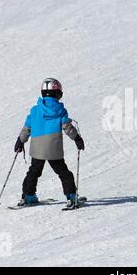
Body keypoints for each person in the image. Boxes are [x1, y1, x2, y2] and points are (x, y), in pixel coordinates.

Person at [14, 78, 85, 207]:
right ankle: (71, 196)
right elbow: (67, 128)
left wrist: (20, 141)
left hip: (37, 148)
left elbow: (27, 128)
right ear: (57, 93)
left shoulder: (35, 111)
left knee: (34, 171)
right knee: (63, 172)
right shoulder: (60, 111)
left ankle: (28, 195)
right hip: (53, 148)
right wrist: (77, 139)